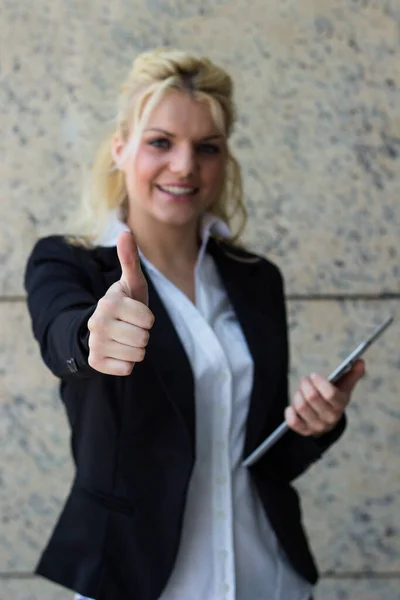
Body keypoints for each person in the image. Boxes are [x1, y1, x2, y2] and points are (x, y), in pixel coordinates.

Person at [25, 49, 365, 600]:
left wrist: (313, 426)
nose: (185, 166)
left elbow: (263, 461)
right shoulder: (70, 264)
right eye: (161, 142)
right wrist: (93, 337)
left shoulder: (256, 279)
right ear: (120, 148)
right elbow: (60, 334)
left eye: (207, 148)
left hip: (267, 575)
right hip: (141, 580)